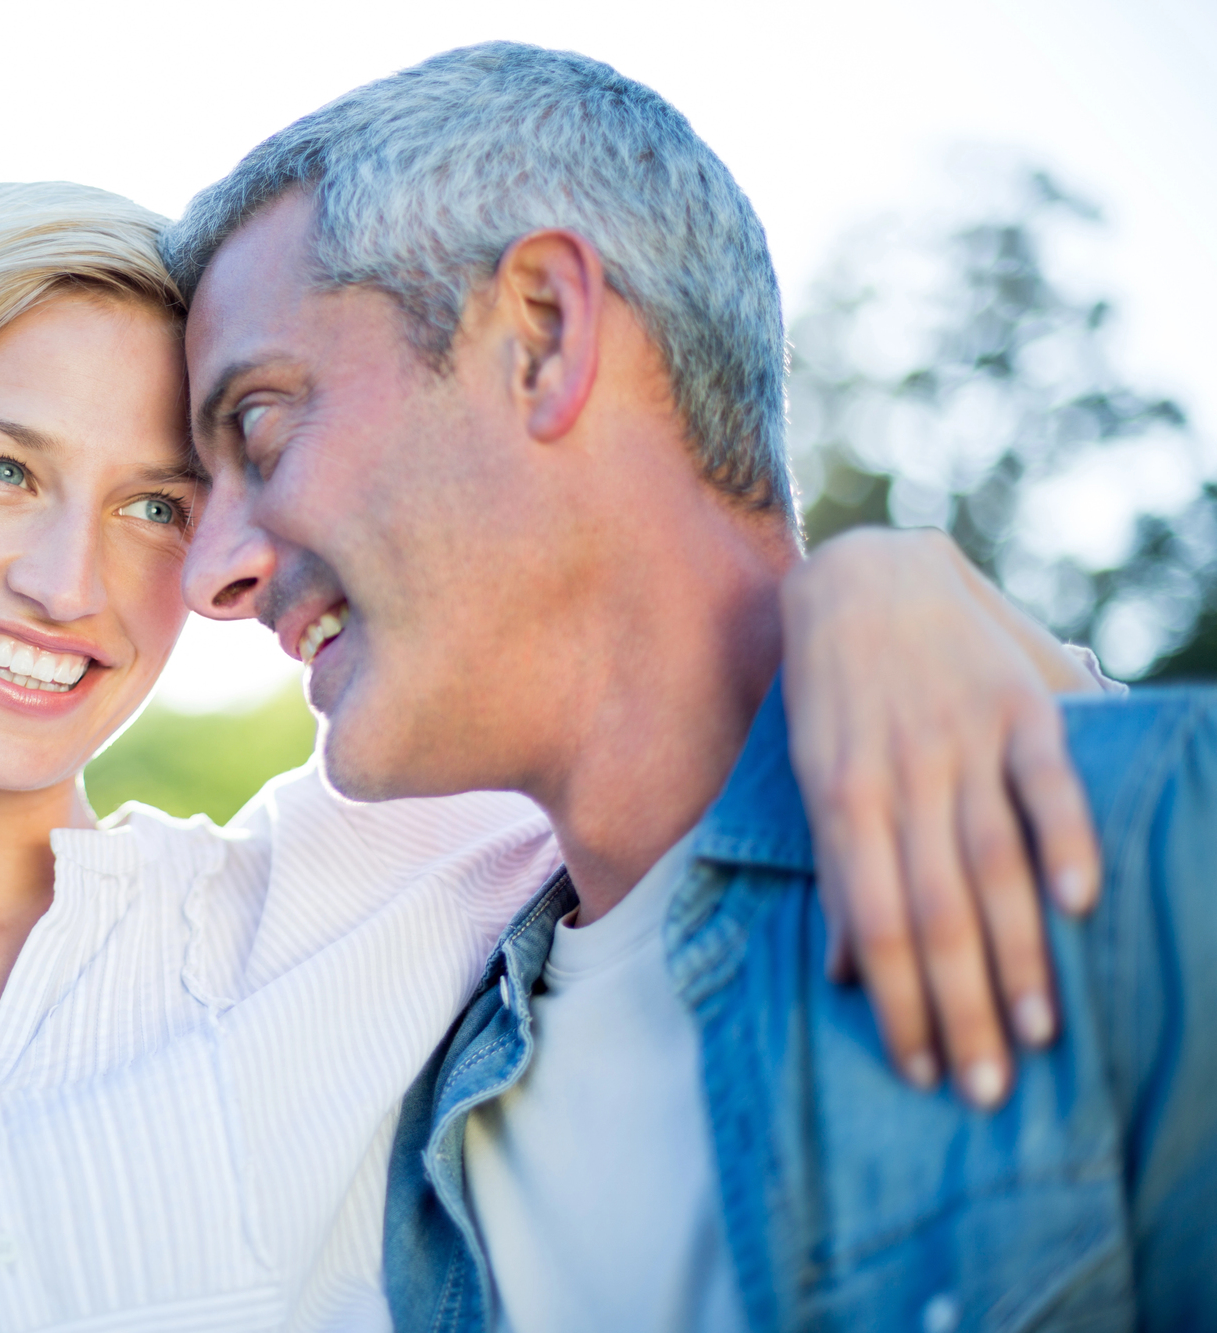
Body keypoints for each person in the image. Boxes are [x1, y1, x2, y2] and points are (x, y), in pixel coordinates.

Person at [0, 181, 1096, 1332]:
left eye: (154, 503)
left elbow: (670, 671)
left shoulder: (333, 897)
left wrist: (878, 585)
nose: (68, 580)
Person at [167, 42, 1217, 1333]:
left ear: (542, 335)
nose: (209, 571)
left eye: (262, 426)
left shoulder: (1148, 858)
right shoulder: (417, 1121)